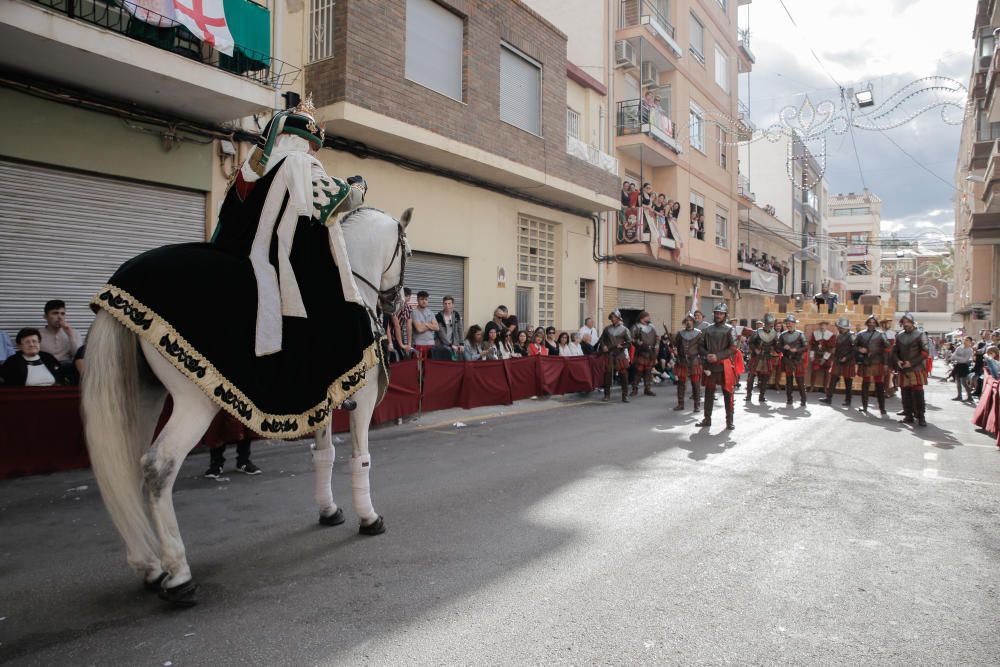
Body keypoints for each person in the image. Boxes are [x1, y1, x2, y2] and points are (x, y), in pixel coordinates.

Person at [696, 303, 737, 430]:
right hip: (710, 365)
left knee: (727, 394)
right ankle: (707, 419)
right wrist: (707, 354)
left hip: (724, 365)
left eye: (721, 313)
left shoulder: (730, 329)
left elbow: (733, 348)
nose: (718, 315)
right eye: (717, 313)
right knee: (708, 394)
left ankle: (729, 421)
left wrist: (718, 356)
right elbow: (700, 346)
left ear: (725, 315)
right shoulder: (707, 329)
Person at [892, 312, 930, 427]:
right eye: (904, 322)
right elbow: (895, 351)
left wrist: (912, 363)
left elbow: (925, 352)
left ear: (912, 323)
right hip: (903, 368)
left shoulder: (920, 334)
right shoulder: (899, 335)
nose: (906, 324)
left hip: (916, 368)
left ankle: (921, 416)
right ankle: (908, 415)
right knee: (905, 392)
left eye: (908, 322)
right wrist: (898, 360)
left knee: (918, 392)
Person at [0, 328, 65, 387]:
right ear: (19, 346)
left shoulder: (48, 357)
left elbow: (60, 377)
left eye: (34, 341)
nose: (32, 345)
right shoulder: (12, 361)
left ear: (39, 343)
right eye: (27, 342)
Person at [39, 300, 82, 384]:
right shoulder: (38, 335)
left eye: (62, 314)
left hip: (68, 371)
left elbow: (78, 356)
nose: (60, 317)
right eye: (55, 313)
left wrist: (70, 335)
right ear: (45, 317)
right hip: (47, 371)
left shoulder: (73, 333)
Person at [854, 315, 889, 417]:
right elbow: (854, 346)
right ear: (867, 323)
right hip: (865, 361)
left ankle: (882, 408)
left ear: (876, 324)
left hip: (877, 361)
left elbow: (887, 349)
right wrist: (860, 349)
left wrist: (886, 363)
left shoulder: (881, 334)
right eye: (870, 322)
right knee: (865, 384)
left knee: (879, 385)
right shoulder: (861, 334)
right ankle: (864, 406)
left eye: (873, 322)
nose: (871, 324)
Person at [820, 317, 856, 407]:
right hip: (838, 360)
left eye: (841, 327)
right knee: (833, 378)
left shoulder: (852, 336)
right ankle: (828, 398)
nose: (839, 328)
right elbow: (835, 348)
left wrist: (847, 357)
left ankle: (848, 400)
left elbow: (855, 349)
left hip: (848, 361)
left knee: (848, 381)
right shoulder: (838, 335)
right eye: (839, 327)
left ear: (846, 327)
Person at [598, 310, 632, 403]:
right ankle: (607, 395)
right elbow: (601, 340)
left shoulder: (625, 329)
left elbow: (629, 343)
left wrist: (622, 346)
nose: (612, 319)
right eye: (612, 317)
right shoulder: (607, 329)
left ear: (618, 318)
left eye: (614, 317)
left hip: (620, 355)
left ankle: (625, 396)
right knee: (607, 375)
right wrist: (604, 346)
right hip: (609, 354)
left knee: (624, 375)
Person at [746, 314, 780, 404]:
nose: (771, 325)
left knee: (765, 378)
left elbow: (776, 346)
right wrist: (755, 349)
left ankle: (761, 396)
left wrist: (780, 347)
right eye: (769, 324)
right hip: (756, 357)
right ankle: (748, 395)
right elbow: (750, 343)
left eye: (772, 324)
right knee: (751, 377)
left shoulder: (774, 333)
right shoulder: (757, 332)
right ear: (765, 323)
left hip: (767, 357)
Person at [673, 315, 703, 411]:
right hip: (682, 361)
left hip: (694, 361)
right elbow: (674, 344)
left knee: (695, 384)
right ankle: (680, 404)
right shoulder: (680, 333)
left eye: (690, 320)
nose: (688, 322)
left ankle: (697, 405)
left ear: (693, 322)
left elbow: (702, 348)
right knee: (681, 384)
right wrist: (673, 349)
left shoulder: (699, 333)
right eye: (686, 320)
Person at [778, 314, 808, 408]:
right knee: (789, 381)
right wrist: (783, 347)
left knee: (800, 381)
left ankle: (803, 400)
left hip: (798, 360)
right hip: (787, 360)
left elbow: (806, 347)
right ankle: (789, 399)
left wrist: (796, 350)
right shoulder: (783, 335)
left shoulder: (800, 334)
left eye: (790, 323)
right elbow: (778, 348)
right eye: (787, 323)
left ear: (794, 324)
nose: (788, 324)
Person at [630, 311, 659, 397]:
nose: (649, 318)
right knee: (638, 372)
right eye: (647, 316)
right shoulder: (636, 327)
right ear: (642, 317)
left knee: (648, 372)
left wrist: (657, 344)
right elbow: (631, 338)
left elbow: (657, 337)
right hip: (641, 352)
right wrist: (637, 342)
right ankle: (634, 389)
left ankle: (648, 389)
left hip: (651, 353)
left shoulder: (652, 326)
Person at [409, 290, 439, 358]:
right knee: (419, 367)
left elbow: (437, 327)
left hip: (431, 345)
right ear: (417, 300)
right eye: (422, 299)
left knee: (430, 368)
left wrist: (425, 324)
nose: (424, 301)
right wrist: (430, 325)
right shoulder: (414, 312)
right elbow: (419, 329)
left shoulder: (431, 313)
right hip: (419, 345)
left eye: (426, 299)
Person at [809, 320, 836, 393]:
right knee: (814, 371)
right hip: (817, 355)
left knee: (827, 372)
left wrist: (825, 358)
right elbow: (812, 346)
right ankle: (812, 387)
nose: (822, 326)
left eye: (824, 325)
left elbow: (830, 348)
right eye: (821, 325)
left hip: (827, 355)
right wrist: (811, 356)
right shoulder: (815, 333)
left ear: (827, 326)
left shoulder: (831, 335)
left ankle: (825, 388)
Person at [950, 336, 974, 402]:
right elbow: (952, 356)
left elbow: (964, 360)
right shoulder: (959, 348)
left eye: (967, 340)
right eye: (964, 339)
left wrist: (957, 357)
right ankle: (959, 396)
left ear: (970, 342)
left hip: (964, 366)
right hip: (958, 365)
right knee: (958, 382)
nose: (965, 341)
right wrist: (957, 357)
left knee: (964, 382)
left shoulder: (969, 350)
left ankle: (970, 397)